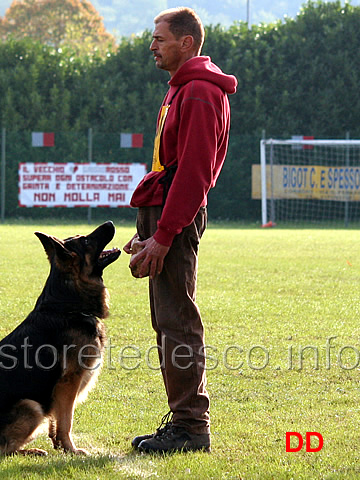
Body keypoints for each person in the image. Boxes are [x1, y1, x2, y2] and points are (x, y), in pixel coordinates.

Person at [124, 7, 237, 454]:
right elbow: (168, 169)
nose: (152, 44)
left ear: (186, 42)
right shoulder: (181, 89)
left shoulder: (199, 93)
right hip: (165, 212)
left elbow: (192, 173)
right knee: (168, 320)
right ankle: (184, 423)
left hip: (177, 216)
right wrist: (147, 229)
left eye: (160, 37)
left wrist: (166, 233)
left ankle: (191, 427)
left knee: (177, 320)